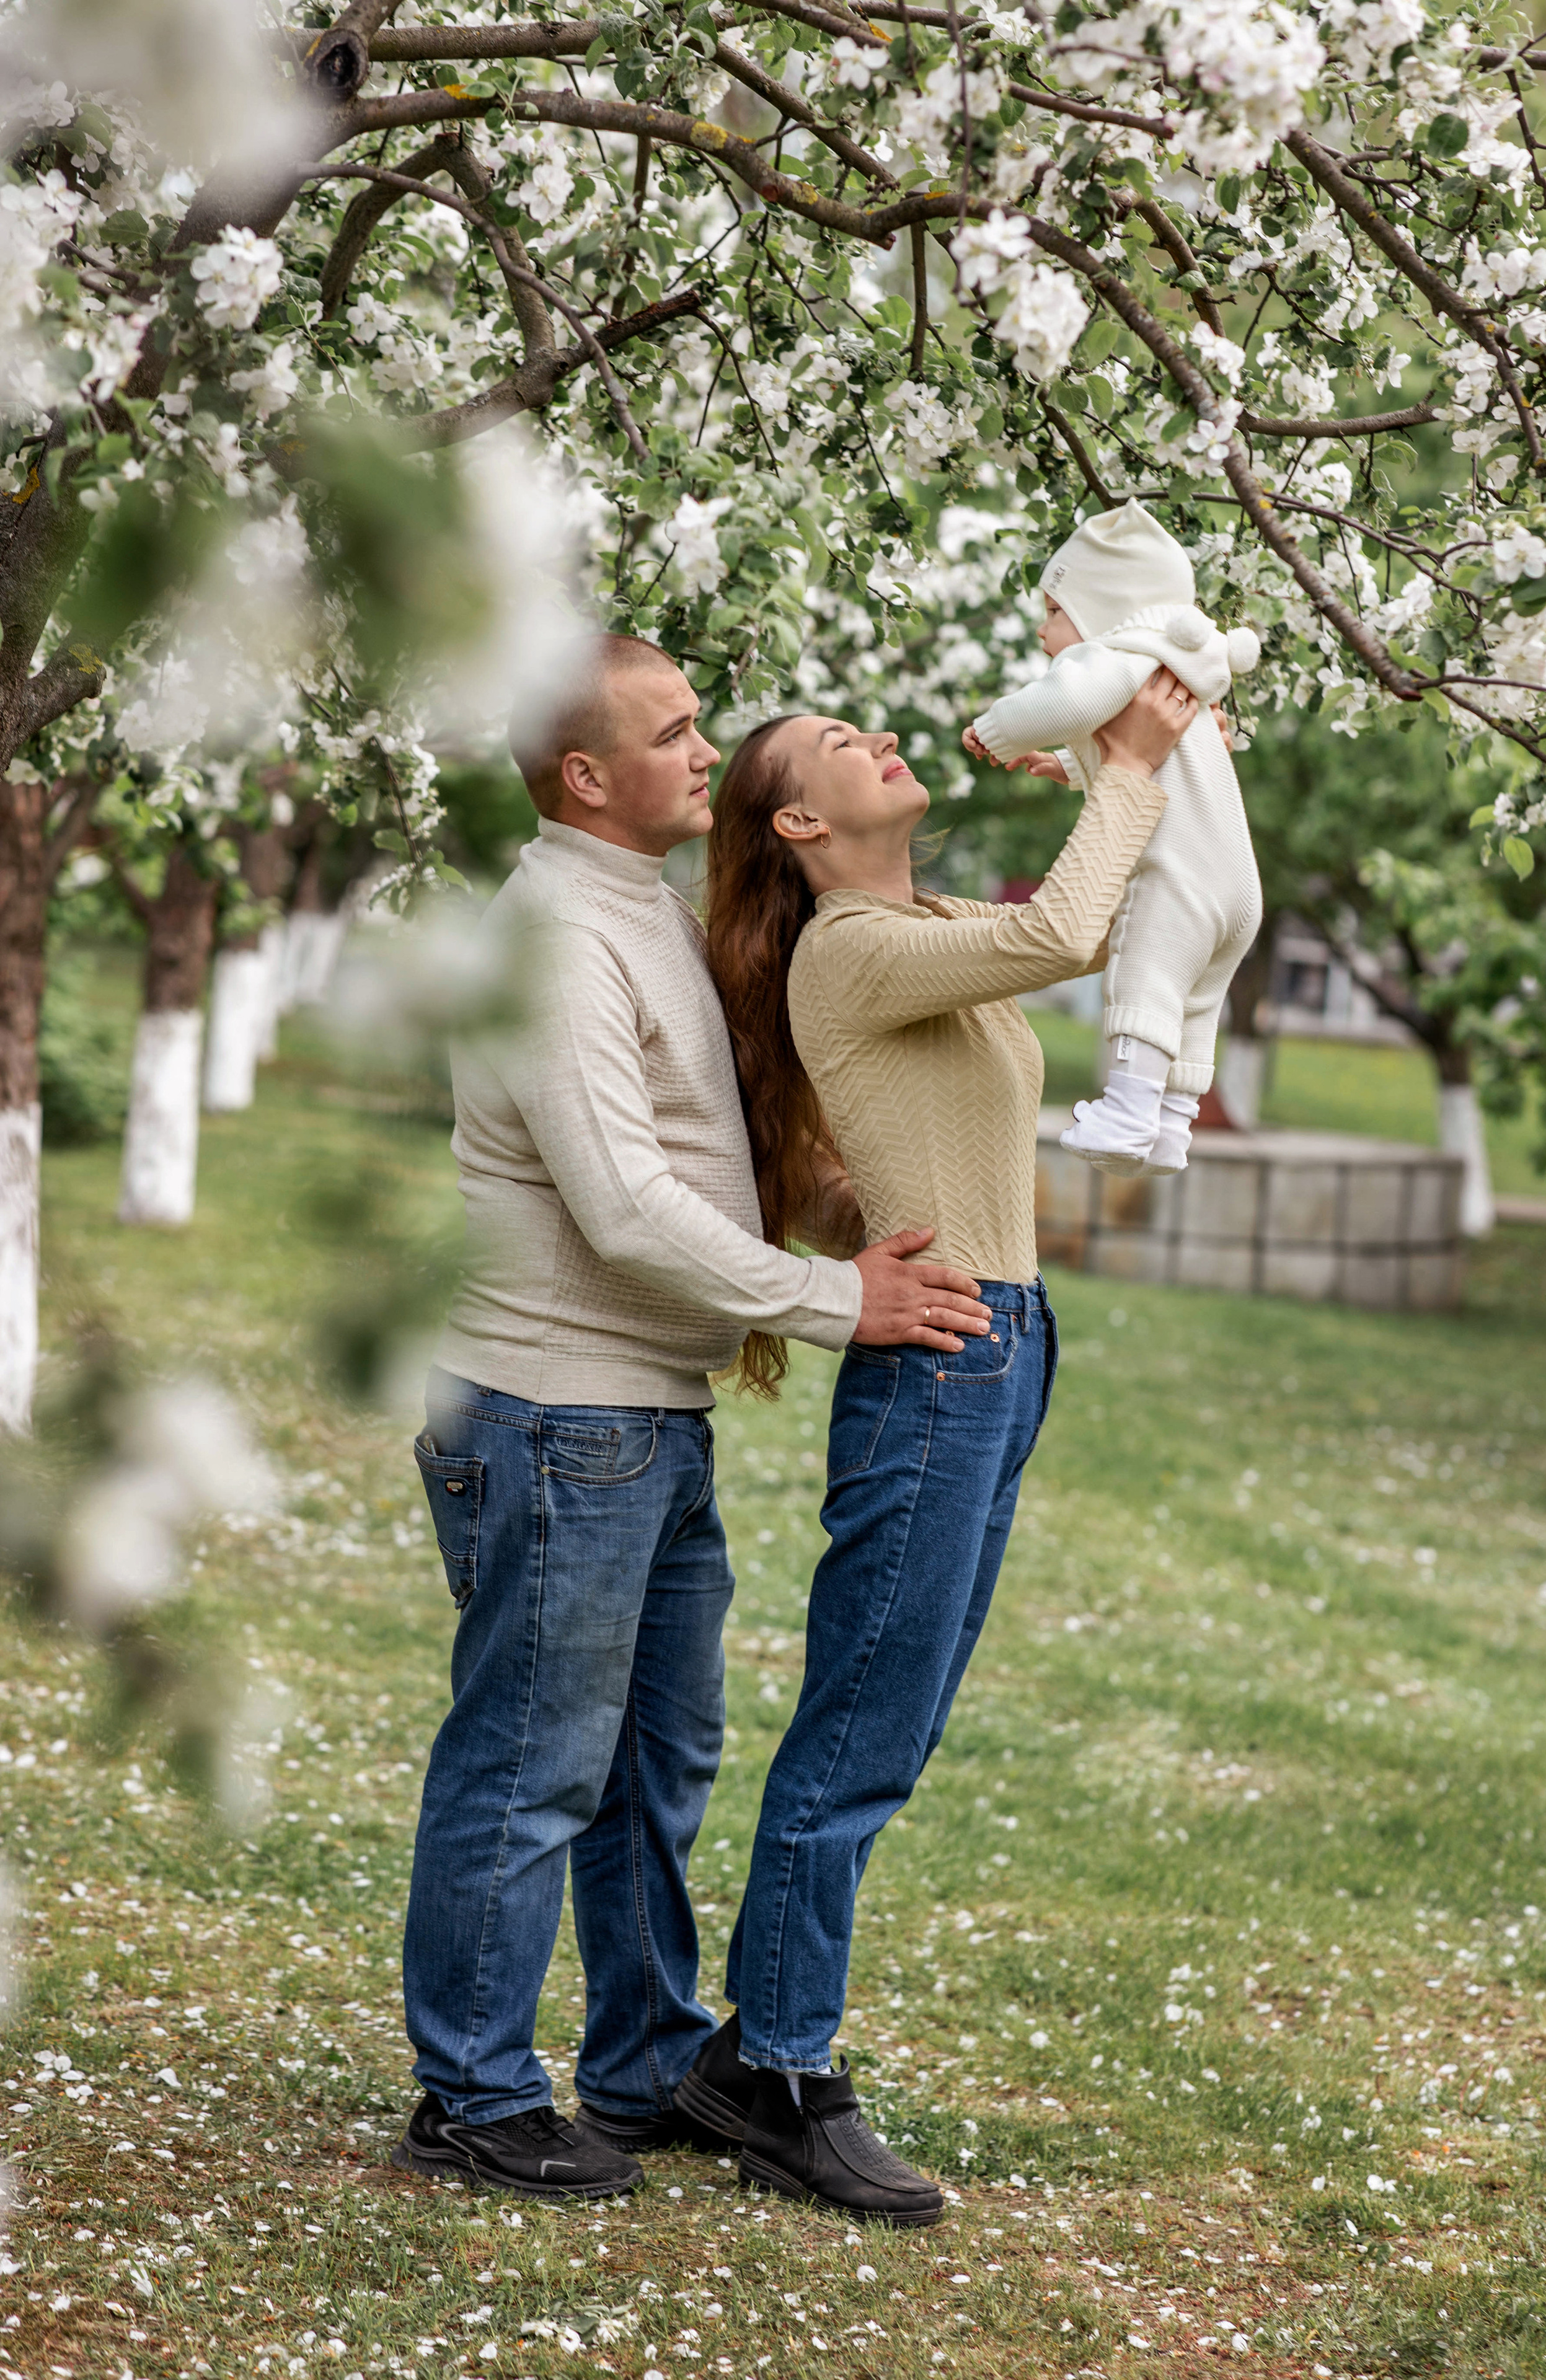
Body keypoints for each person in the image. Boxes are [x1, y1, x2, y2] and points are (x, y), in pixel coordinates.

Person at [394, 632, 993, 2203]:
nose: (699, 750)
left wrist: (862, 1206)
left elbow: (710, 1154)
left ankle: (643, 2061)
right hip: (547, 1413)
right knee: (530, 1763)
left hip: (642, 1421)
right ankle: (466, 2091)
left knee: (653, 1765)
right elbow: (623, 1207)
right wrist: (835, 1301)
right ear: (585, 775)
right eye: (670, 734)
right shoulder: (551, 944)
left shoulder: (644, 915)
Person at [670, 666, 1196, 2224]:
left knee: (887, 1729)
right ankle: (775, 2071)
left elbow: (1031, 941)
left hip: (1001, 1347)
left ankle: (749, 2053)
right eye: (841, 745)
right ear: (802, 822)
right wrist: (1129, 763)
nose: (877, 736)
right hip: (941, 1370)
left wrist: (1107, 789)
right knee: (856, 1728)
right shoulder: (849, 946)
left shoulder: (907, 939)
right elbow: (1058, 934)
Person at [965, 500, 1263, 1177]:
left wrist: (998, 730)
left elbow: (1067, 703)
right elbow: (1157, 755)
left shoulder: (1120, 655)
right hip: (1237, 889)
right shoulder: (1174, 675)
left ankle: (1127, 1114)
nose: (1043, 632)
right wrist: (1066, 765)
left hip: (1178, 877)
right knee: (1194, 1001)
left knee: (1147, 977)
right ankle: (1171, 1128)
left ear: (1102, 609)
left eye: (1052, 612)